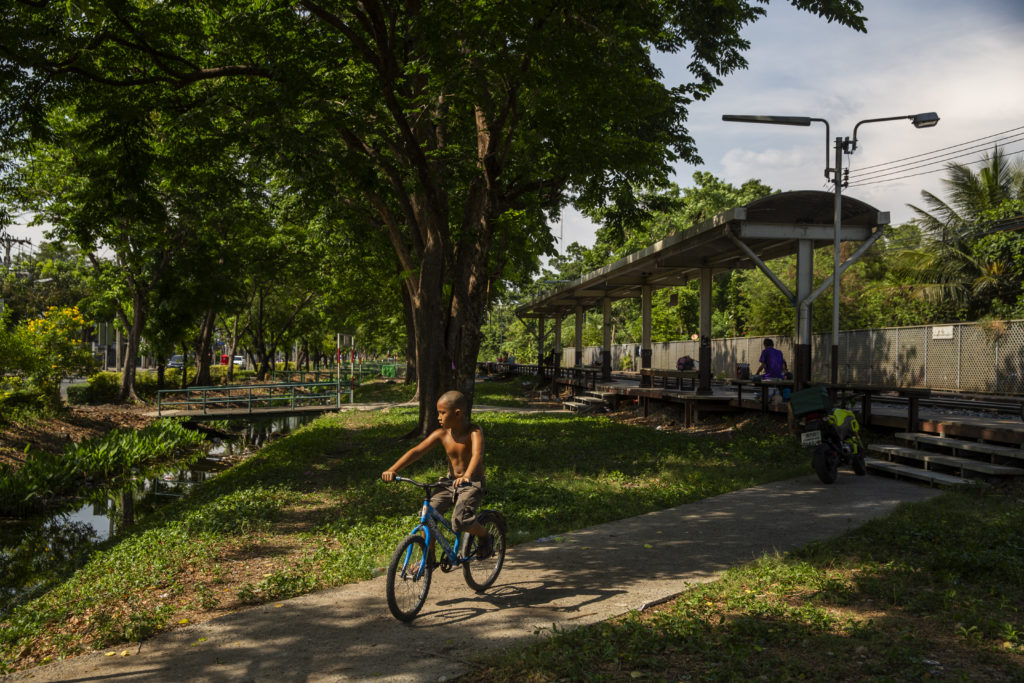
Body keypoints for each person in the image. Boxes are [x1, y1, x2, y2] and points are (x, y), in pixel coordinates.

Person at [381, 390, 493, 557]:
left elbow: (477, 454)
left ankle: (485, 536)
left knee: (460, 520)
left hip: (471, 483)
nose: (439, 417)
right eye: (438, 413)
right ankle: (429, 558)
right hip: (449, 483)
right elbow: (416, 451)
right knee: (427, 514)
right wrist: (393, 469)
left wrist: (467, 475)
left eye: (442, 413)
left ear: (457, 413)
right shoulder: (441, 434)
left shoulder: (474, 432)